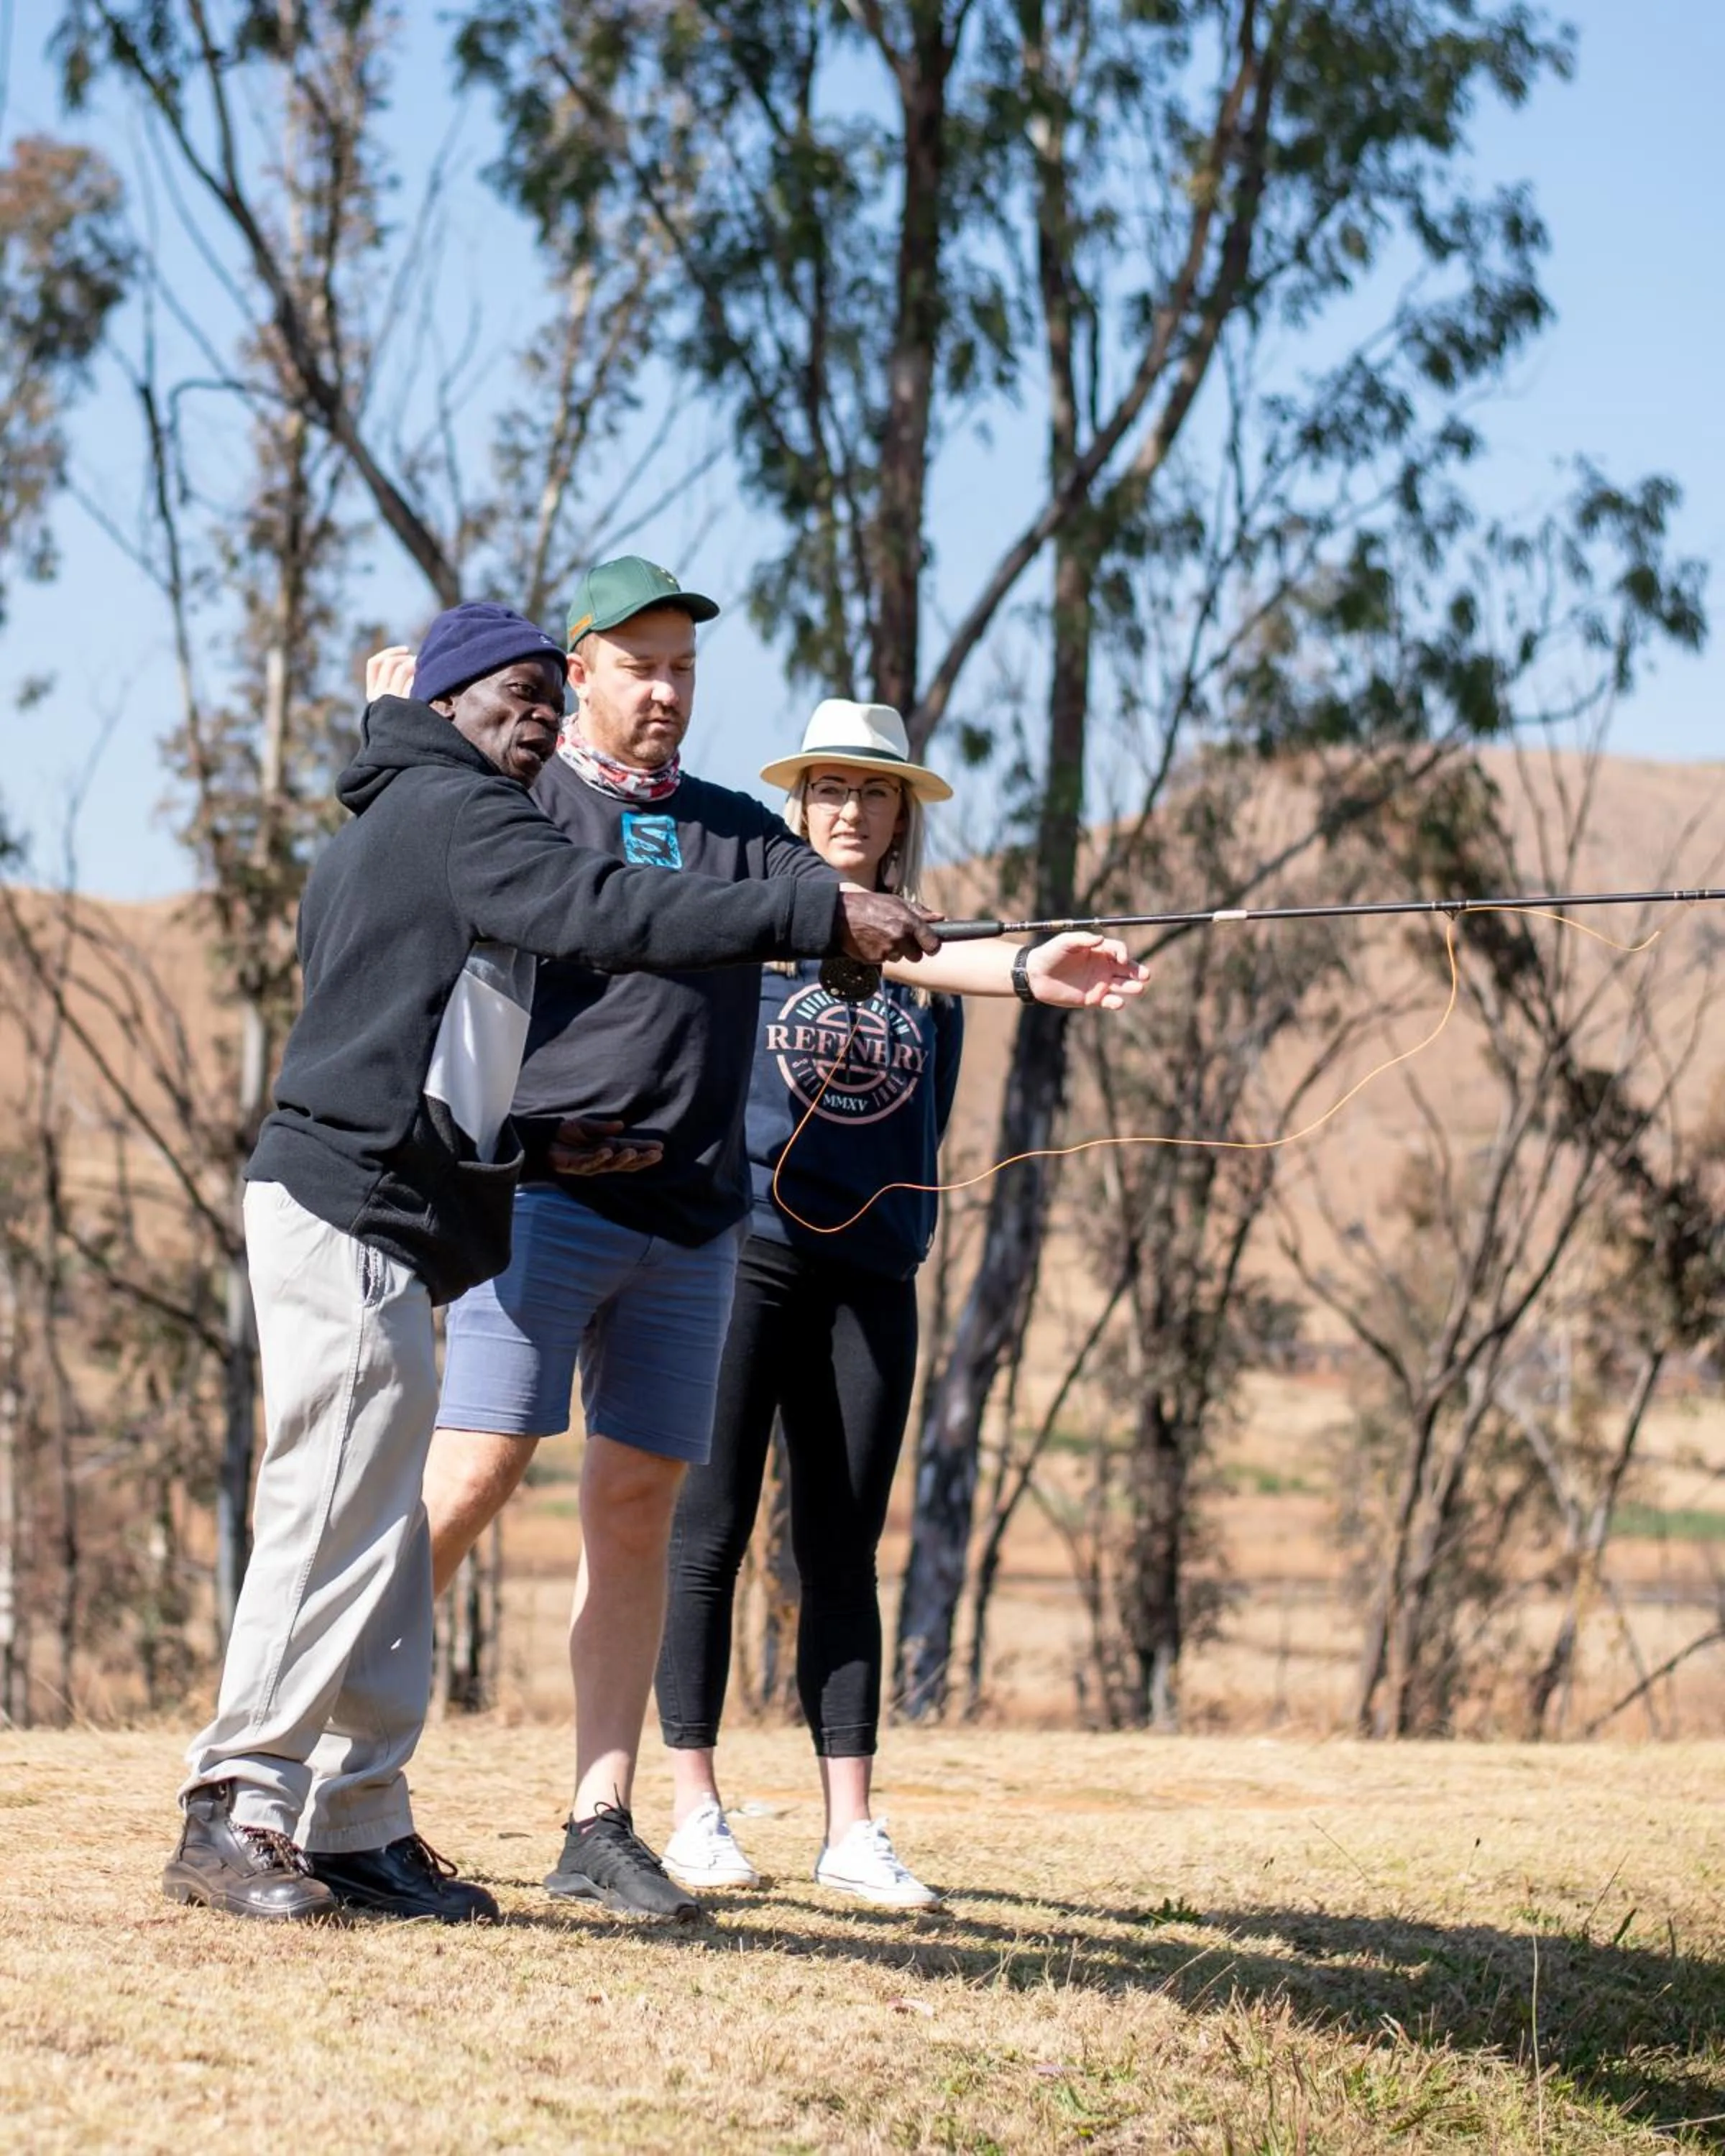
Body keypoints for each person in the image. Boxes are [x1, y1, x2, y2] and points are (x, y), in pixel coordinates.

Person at [162, 602, 932, 1926]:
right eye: (513, 694)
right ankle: (233, 1805)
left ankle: (357, 1824)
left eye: (539, 695)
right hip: (346, 1207)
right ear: (451, 709)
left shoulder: (410, 811)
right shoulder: (465, 818)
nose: (534, 716)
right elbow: (606, 905)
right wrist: (815, 919)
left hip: (395, 1216)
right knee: (332, 1505)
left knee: (381, 1529)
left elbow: (436, 1013)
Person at [418, 560, 1147, 1926]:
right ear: (579, 671)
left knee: (637, 1514)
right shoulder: (518, 805)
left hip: (689, 1221)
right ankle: (336, 1764)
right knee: (472, 1478)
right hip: (545, 1199)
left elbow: (873, 929)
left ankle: (602, 1815)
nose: (667, 693)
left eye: (685, 671)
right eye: (640, 666)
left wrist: (1030, 966)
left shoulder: (735, 830)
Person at [653, 700, 1145, 1907]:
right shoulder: (754, 927)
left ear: (899, 815)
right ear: (800, 802)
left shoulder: (929, 959)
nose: (850, 812)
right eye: (829, 789)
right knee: (706, 1532)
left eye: (873, 794)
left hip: (873, 1271)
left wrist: (1038, 969)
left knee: (843, 1548)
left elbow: (958, 995)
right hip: (747, 1252)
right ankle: (693, 1811)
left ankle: (851, 1829)